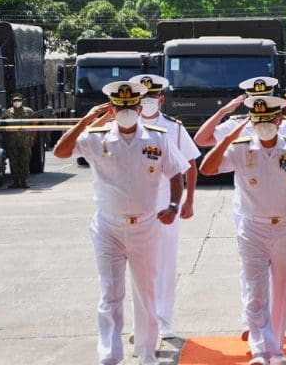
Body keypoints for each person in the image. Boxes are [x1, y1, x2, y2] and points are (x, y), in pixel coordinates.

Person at [53, 81, 190, 365]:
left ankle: (147, 354)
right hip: (108, 228)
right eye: (120, 107)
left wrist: (174, 205)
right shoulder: (96, 137)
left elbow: (176, 173)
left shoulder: (157, 137)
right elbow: (61, 152)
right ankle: (109, 356)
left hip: (145, 227)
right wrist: (86, 120)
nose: (126, 111)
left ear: (140, 108)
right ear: (112, 109)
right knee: (110, 294)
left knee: (146, 293)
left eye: (131, 106)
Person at [199, 95, 286, 365]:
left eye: (269, 120)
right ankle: (259, 350)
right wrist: (228, 138)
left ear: (279, 120)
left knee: (282, 291)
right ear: (251, 122)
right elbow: (206, 169)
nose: (264, 125)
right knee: (255, 291)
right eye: (258, 121)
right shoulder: (240, 147)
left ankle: (276, 349)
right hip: (252, 228)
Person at [193, 76, 286, 342]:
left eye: (265, 98)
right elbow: (202, 138)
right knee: (252, 268)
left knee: (277, 270)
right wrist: (225, 110)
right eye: (254, 99)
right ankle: (251, 320)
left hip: (278, 204)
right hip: (246, 206)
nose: (260, 103)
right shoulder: (237, 124)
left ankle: (271, 323)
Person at [128, 74, 200, 339]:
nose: (147, 103)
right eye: (143, 98)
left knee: (165, 262)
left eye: (152, 98)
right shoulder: (126, 126)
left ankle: (163, 318)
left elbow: (190, 164)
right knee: (138, 263)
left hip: (166, 202)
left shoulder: (174, 128)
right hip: (135, 204)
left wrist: (188, 200)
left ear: (160, 99)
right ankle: (142, 321)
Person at [193, 76, 286, 148]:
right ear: (247, 100)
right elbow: (201, 140)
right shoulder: (236, 125)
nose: (261, 101)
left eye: (266, 96)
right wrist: (223, 111)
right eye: (255, 98)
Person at [2, 93, 35, 188]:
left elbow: (34, 125)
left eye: (19, 100)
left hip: (25, 141)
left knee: (25, 161)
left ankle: (24, 181)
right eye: (15, 100)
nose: (17, 102)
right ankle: (15, 181)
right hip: (12, 142)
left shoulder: (29, 112)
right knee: (13, 161)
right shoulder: (7, 113)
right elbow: (3, 126)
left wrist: (32, 138)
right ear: (11, 102)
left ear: (22, 101)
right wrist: (4, 140)